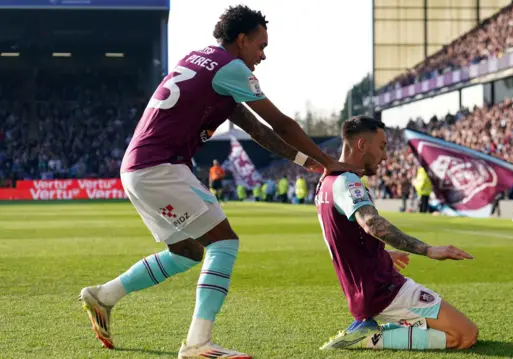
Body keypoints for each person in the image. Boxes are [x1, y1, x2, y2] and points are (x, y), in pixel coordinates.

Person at [78, 5, 358, 359]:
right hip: (161, 168)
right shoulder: (233, 68)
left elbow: (257, 130)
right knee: (223, 243)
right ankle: (197, 344)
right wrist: (329, 161)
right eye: (260, 45)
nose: (264, 55)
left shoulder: (200, 60)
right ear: (241, 41)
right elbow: (281, 124)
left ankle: (104, 296)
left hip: (138, 168)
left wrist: (306, 162)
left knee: (188, 252)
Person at [314, 116, 477, 352]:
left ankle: (365, 328)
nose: (385, 156)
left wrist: (380, 252)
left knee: (455, 330)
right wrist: (429, 250)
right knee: (464, 335)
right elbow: (371, 223)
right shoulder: (346, 181)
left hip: (368, 288)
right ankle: (368, 338)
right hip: (383, 290)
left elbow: (343, 238)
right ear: (361, 145)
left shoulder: (325, 184)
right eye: (381, 147)